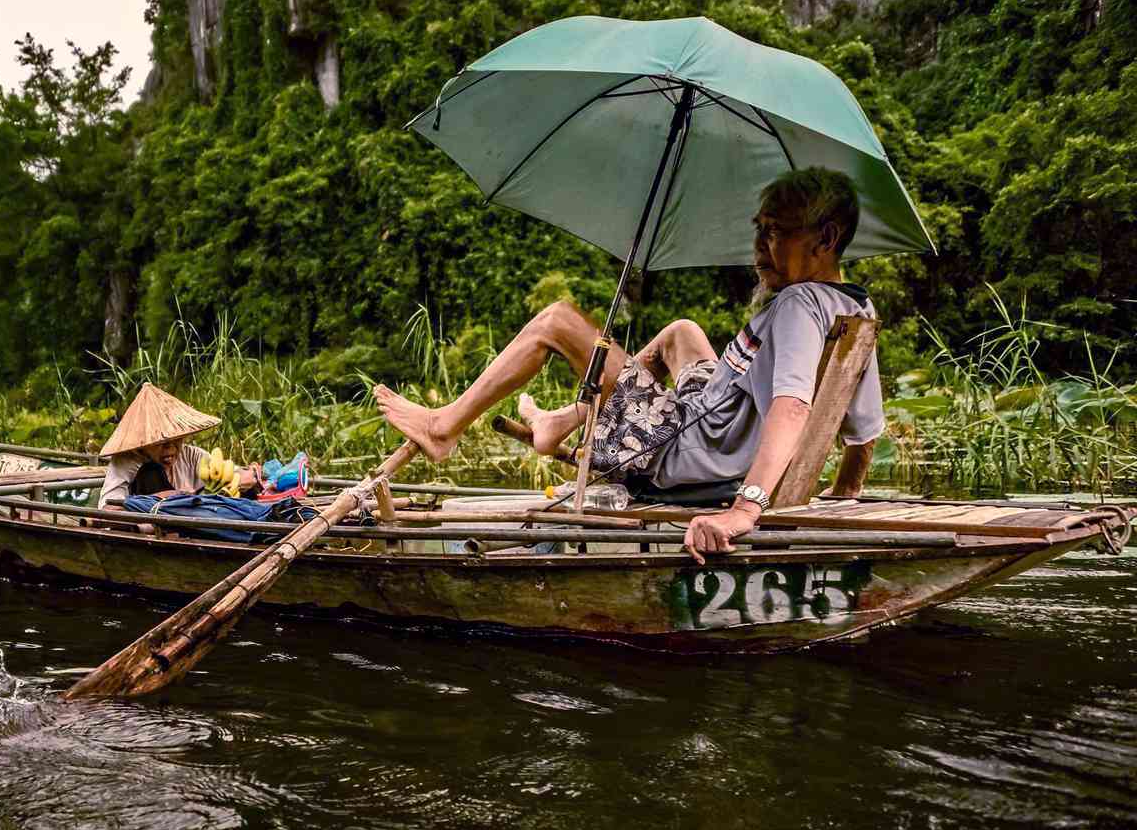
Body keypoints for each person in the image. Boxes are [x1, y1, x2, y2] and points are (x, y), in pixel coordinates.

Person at [374, 167, 884, 563]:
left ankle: (443, 427)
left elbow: (792, 408)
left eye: (775, 232)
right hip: (713, 417)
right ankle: (562, 420)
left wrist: (746, 511)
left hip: (688, 446)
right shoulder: (857, 308)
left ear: (826, 238)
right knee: (682, 332)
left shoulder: (798, 305)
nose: (759, 246)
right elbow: (864, 434)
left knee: (559, 322)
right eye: (759, 230)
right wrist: (840, 501)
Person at [97, 383, 259, 508]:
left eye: (177, 440)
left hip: (195, 522)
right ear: (144, 445)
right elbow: (109, 506)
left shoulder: (191, 455)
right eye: (161, 443)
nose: (171, 448)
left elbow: (237, 474)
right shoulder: (127, 462)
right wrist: (176, 497)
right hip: (152, 524)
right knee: (151, 472)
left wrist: (248, 475)